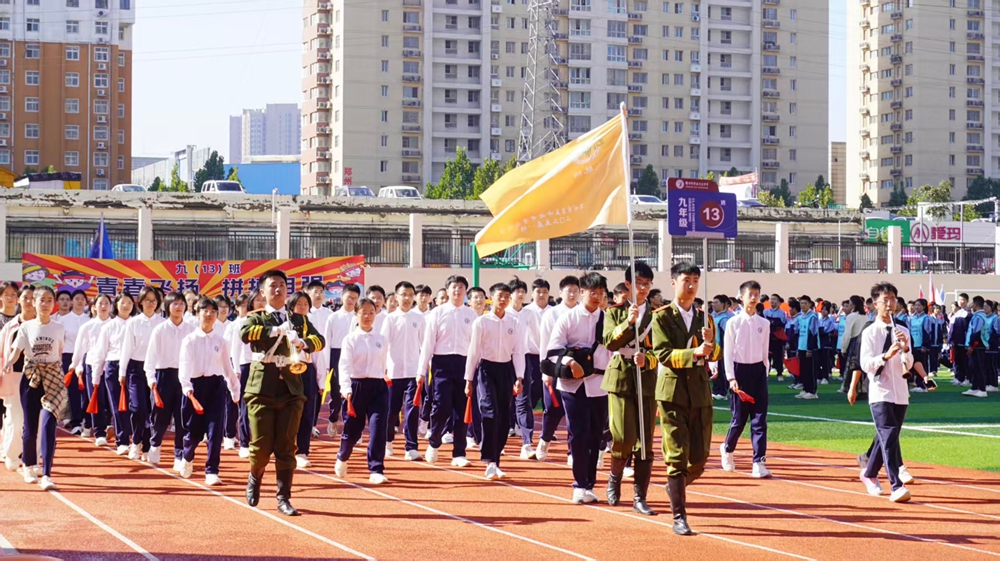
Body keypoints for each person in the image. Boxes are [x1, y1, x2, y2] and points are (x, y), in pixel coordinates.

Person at [241, 269, 325, 516]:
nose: (278, 289)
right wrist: (274, 331)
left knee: (287, 445)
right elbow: (245, 334)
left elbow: (319, 339)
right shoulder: (256, 317)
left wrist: (303, 342)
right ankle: (255, 475)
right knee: (261, 445)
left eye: (281, 285)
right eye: (272, 286)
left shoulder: (298, 319)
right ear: (263, 292)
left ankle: (283, 498)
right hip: (261, 388)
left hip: (291, 389)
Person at [651, 262, 720, 536]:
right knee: (676, 455)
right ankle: (679, 516)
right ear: (673, 283)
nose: (690, 285)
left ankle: (674, 485)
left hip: (700, 393)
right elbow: (663, 354)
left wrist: (711, 346)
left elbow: (716, 355)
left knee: (700, 457)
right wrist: (696, 353)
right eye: (685, 280)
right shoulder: (661, 317)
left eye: (695, 280)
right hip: (672, 393)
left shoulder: (706, 318)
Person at [545, 272, 609, 504]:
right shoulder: (568, 318)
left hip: (600, 385)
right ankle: (579, 484)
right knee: (578, 433)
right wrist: (570, 361)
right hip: (573, 385)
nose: (597, 297)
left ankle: (589, 483)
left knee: (595, 435)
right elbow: (553, 349)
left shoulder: (608, 318)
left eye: (601, 293)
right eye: (593, 292)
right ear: (582, 292)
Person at [602, 263, 657, 515]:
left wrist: (649, 360)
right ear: (628, 286)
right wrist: (628, 322)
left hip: (646, 379)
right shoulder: (614, 312)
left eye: (647, 284)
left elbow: (662, 350)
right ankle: (614, 477)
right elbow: (609, 343)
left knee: (644, 442)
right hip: (622, 377)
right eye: (638, 283)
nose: (643, 288)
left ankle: (640, 496)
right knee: (623, 437)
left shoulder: (658, 314)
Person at [856, 282, 914, 503]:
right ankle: (896, 485)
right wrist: (885, 356)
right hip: (880, 391)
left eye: (893, 299)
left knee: (888, 437)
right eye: (885, 300)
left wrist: (905, 349)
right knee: (888, 434)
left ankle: (869, 474)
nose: (890, 304)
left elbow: (909, 362)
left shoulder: (903, 330)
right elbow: (865, 364)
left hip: (900, 390)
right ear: (874, 304)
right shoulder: (870, 332)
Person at [5, 286, 65, 491]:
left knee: (48, 424)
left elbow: (59, 350)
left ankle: (47, 473)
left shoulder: (58, 327)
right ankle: (29, 465)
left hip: (53, 378)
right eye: (42, 300)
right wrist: (8, 363)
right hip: (31, 378)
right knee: (30, 427)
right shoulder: (27, 327)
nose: (46, 304)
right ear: (34, 303)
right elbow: (16, 351)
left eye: (50, 300)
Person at [178, 297, 241, 485]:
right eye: (205, 310)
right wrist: (187, 387)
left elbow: (227, 368)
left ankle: (211, 470)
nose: (209, 314)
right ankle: (187, 455)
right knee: (194, 432)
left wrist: (234, 390)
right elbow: (185, 365)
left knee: (215, 431)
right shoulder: (189, 340)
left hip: (216, 387)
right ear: (197, 313)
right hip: (195, 388)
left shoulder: (221, 341)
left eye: (213, 311)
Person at [464, 283, 524, 481]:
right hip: (486, 369)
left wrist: (519, 377)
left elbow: (518, 350)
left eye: (507, 296)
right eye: (500, 295)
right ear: (491, 297)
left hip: (506, 370)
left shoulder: (514, 322)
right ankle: (489, 460)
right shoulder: (481, 322)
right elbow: (473, 352)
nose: (504, 299)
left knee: (504, 418)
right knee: (489, 412)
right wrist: (469, 379)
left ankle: (496, 460)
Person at [417, 275, 477, 467]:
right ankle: (434, 443)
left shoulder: (472, 315)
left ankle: (459, 453)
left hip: (464, 364)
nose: (457, 290)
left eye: (461, 287)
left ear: (465, 291)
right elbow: (428, 344)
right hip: (441, 364)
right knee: (441, 407)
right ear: (447, 290)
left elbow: (476, 346)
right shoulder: (437, 313)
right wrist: (421, 371)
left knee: (461, 410)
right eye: (454, 287)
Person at [719, 281, 772, 479]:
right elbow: (727, 352)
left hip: (758, 371)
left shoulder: (764, 323)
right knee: (739, 420)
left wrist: (765, 370)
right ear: (741, 297)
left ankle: (759, 461)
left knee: (759, 420)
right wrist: (731, 377)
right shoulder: (733, 322)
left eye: (757, 294)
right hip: (739, 372)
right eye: (750, 293)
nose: (754, 297)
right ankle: (727, 448)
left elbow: (765, 349)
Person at [335, 298, 390, 484]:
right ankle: (343, 456)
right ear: (356, 314)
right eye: (363, 312)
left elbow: (384, 364)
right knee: (353, 430)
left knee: (378, 428)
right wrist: (346, 388)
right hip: (356, 387)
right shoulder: (350, 339)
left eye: (371, 312)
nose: (367, 316)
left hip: (378, 388)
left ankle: (376, 468)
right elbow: (344, 365)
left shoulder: (381, 339)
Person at [145, 291, 194, 470]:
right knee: (160, 417)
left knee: (182, 418)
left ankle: (179, 454)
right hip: (163, 375)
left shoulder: (190, 329)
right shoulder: (160, 329)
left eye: (182, 304)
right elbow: (150, 357)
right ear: (167, 307)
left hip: (183, 376)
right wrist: (151, 378)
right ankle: (155, 443)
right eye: (175, 304)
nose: (179, 307)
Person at [536, 275, 580, 461]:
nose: (572, 294)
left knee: (574, 412)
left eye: (575, 291)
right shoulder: (551, 314)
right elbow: (545, 343)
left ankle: (572, 451)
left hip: (577, 369)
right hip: (555, 367)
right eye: (568, 290)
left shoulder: (582, 312)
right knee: (553, 410)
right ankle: (545, 439)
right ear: (561, 292)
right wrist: (546, 371)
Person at [381, 281, 426, 461]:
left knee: (412, 410)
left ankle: (411, 447)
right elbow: (383, 346)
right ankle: (387, 442)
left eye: (410, 294)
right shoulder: (390, 319)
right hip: (393, 372)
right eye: (403, 294)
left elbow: (424, 345)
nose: (406, 298)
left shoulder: (419, 319)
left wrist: (422, 369)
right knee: (391, 410)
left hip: (413, 373)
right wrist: (383, 370)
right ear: (396, 297)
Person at [119, 286, 164, 461]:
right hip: (136, 369)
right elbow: (126, 348)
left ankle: (147, 445)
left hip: (157, 369)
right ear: (141, 302)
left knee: (153, 410)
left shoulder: (162, 323)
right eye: (147, 300)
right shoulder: (134, 322)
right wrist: (122, 371)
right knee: (138, 407)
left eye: (154, 300)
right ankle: (136, 441)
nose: (151, 304)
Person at [91, 292, 137, 457]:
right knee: (118, 405)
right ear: (116, 305)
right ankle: (122, 440)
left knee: (136, 406)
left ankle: (138, 439)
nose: (126, 306)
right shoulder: (108, 327)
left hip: (134, 366)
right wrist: (96, 377)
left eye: (129, 303)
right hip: (113, 365)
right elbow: (100, 353)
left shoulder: (137, 323)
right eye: (122, 302)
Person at [0, 284, 35, 472]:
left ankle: (31, 458)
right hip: (13, 376)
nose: (29, 302)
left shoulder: (44, 325)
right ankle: (12, 453)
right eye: (25, 298)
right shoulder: (10, 326)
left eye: (32, 298)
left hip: (37, 377)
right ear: (19, 301)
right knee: (16, 417)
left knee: (34, 419)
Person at [71, 294, 112, 447]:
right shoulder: (87, 326)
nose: (103, 306)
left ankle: (111, 426)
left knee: (111, 400)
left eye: (106, 303)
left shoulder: (116, 324)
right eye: (100, 303)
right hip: (92, 365)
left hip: (111, 366)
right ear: (93, 307)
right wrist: (76, 365)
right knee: (96, 399)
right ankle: (99, 432)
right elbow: (80, 348)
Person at [516, 278, 549, 459]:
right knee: (525, 398)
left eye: (544, 291)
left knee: (545, 397)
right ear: (532, 293)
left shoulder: (554, 312)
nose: (541, 295)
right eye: (538, 291)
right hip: (527, 357)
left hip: (548, 358)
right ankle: (526, 441)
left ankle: (546, 432)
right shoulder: (526, 312)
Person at [323, 284, 360, 437]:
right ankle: (333, 418)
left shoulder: (359, 317)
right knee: (337, 393)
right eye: (349, 297)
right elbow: (327, 341)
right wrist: (326, 365)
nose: (351, 301)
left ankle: (350, 425)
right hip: (336, 355)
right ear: (342, 296)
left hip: (355, 355)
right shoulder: (333, 317)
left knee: (353, 392)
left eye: (355, 298)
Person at [54, 289, 89, 435]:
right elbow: (59, 341)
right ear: (72, 302)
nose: (80, 301)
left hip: (87, 356)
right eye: (77, 299)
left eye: (82, 299)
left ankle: (86, 420)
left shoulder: (90, 319)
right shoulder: (63, 320)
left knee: (87, 390)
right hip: (69, 355)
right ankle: (75, 422)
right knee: (73, 390)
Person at [224, 293, 253, 458]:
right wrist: (235, 368)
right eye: (243, 305)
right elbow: (232, 349)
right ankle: (238, 439)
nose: (246, 308)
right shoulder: (235, 325)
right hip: (242, 366)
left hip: (259, 365)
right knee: (241, 405)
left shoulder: (259, 320)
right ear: (236, 307)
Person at [306, 282, 332, 438]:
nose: (319, 294)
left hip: (324, 356)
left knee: (319, 392)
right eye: (315, 291)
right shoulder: (305, 314)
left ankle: (313, 424)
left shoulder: (329, 314)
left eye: (321, 291)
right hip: (308, 356)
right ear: (308, 293)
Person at [793, 296, 820, 400]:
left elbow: (813, 333)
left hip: (810, 348)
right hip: (801, 347)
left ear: (809, 304)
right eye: (801, 303)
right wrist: (797, 349)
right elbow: (799, 333)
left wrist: (810, 349)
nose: (802, 305)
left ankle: (813, 391)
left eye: (805, 303)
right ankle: (805, 389)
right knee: (803, 370)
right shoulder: (800, 317)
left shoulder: (812, 317)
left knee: (811, 370)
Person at [963, 296, 989, 398]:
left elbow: (976, 332)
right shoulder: (979, 316)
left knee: (979, 368)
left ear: (976, 304)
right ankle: (975, 388)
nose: (971, 306)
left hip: (978, 346)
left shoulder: (979, 317)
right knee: (974, 367)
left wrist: (971, 346)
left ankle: (982, 389)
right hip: (977, 345)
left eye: (972, 304)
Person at [710, 295, 734, 400]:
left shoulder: (726, 318)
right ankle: (716, 390)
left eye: (716, 302)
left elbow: (727, 335)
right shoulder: (711, 316)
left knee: (722, 370)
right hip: (712, 348)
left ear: (724, 304)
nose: (713, 304)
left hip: (722, 348)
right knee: (714, 369)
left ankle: (722, 391)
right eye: (713, 302)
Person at [764, 295, 788, 381]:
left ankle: (780, 373)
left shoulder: (782, 313)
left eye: (774, 299)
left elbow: (784, 325)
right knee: (766, 357)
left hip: (777, 339)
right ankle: (766, 373)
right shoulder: (765, 312)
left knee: (778, 356)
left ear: (779, 302)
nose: (772, 301)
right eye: (771, 299)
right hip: (767, 338)